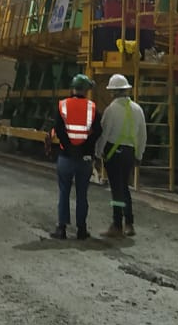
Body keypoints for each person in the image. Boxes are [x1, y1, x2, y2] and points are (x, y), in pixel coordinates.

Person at [49, 73, 102, 241]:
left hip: (66, 157)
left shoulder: (62, 105)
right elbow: (97, 131)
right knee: (82, 194)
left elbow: (59, 129)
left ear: (73, 88)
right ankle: (81, 230)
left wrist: (70, 148)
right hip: (84, 159)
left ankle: (62, 229)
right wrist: (85, 149)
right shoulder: (92, 107)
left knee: (64, 192)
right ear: (86, 90)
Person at [94, 74, 147, 238]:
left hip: (113, 153)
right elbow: (142, 135)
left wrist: (97, 153)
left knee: (116, 190)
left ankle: (117, 225)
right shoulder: (137, 109)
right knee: (124, 187)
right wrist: (139, 155)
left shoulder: (111, 109)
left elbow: (104, 134)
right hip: (130, 153)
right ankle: (129, 224)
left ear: (114, 92)